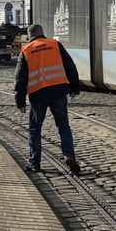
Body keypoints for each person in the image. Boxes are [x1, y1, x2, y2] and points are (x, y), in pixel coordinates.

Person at [14, 23, 81, 174]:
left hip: (38, 95)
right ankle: (69, 155)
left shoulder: (26, 50)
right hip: (58, 92)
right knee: (63, 126)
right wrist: (74, 87)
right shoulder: (55, 44)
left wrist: (20, 100)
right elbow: (70, 66)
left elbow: (20, 78)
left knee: (35, 129)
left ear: (29, 36)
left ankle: (35, 163)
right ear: (42, 33)